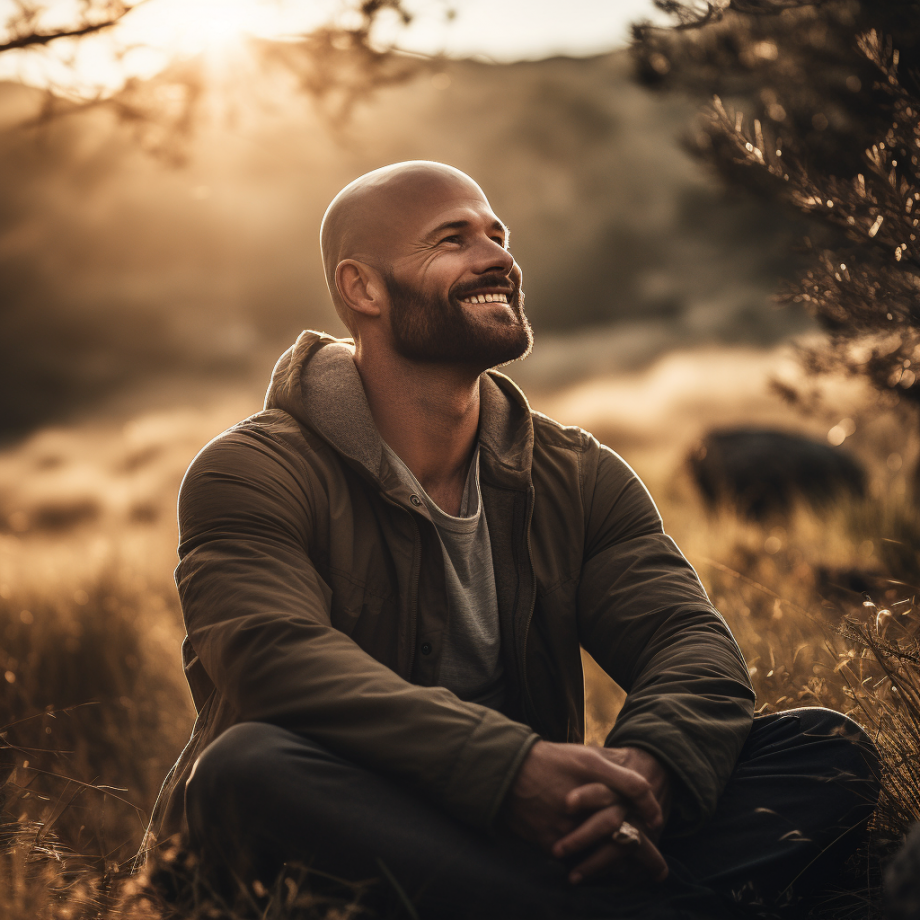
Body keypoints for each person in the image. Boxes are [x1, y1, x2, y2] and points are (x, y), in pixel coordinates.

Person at [141, 161, 879, 918]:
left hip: (532, 840)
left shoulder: (579, 476)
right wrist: (511, 773)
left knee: (824, 751)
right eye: (452, 239)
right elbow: (273, 660)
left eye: (498, 235)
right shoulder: (252, 470)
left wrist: (645, 773)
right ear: (363, 289)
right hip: (345, 837)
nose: (497, 257)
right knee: (247, 768)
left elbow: (687, 642)